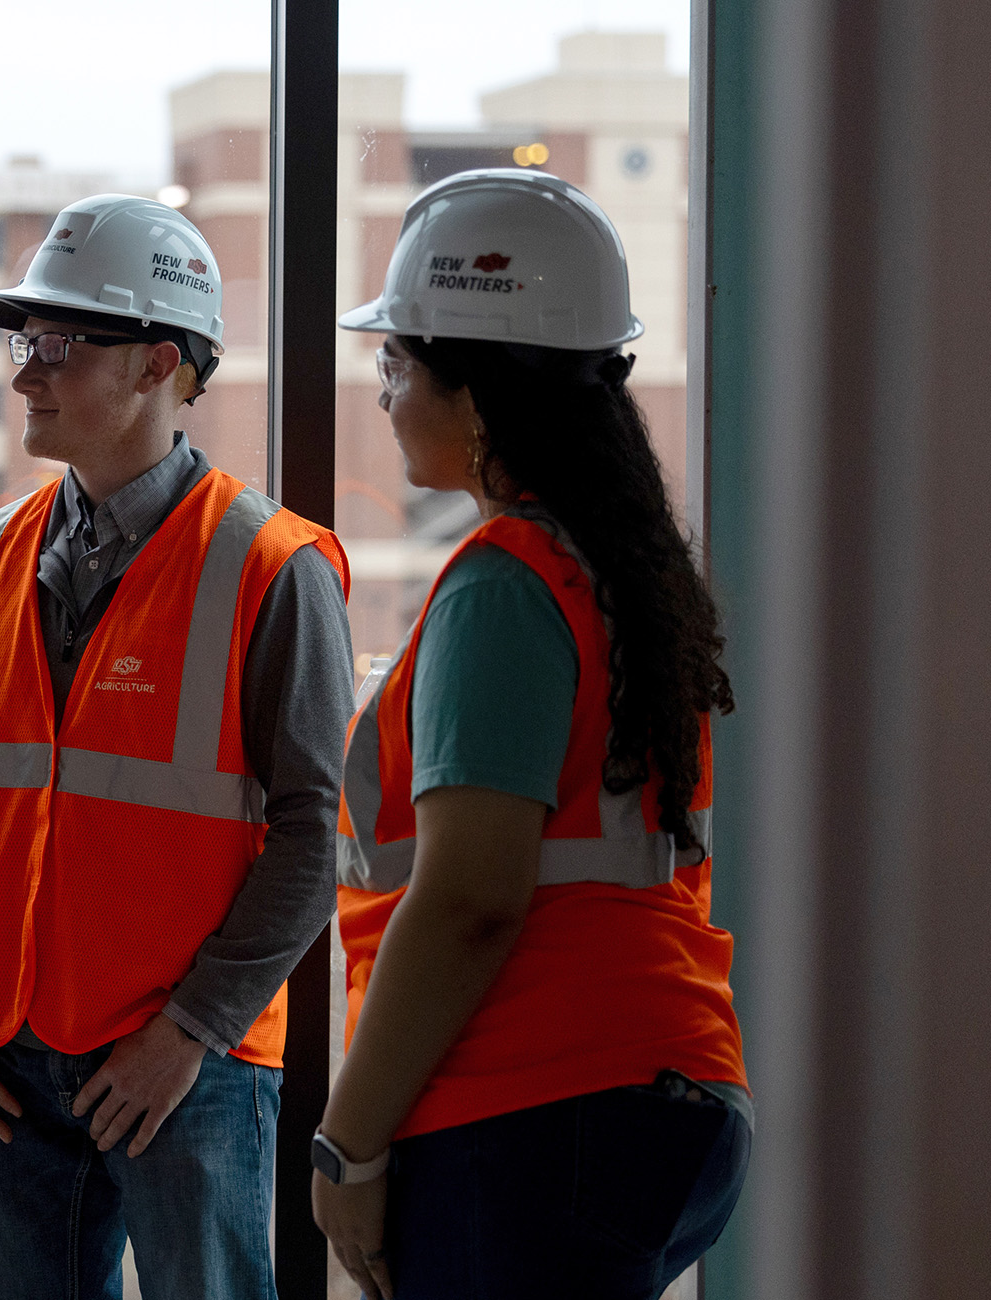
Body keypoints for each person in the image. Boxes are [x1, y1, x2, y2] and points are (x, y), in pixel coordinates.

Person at [309, 169, 750, 1300]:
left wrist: (346, 1144)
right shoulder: (615, 570)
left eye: (397, 363)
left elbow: (469, 898)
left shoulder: (501, 585)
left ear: (477, 391)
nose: (384, 392)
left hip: (533, 1107)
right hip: (659, 1088)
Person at [0, 194, 355, 1298]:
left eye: (59, 344)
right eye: (25, 341)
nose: (25, 372)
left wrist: (189, 1031)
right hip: (2, 1056)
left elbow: (315, 834)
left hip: (182, 1070)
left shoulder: (272, 566)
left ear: (158, 364)